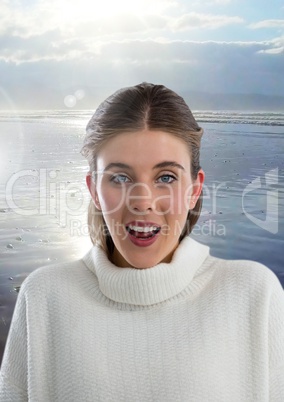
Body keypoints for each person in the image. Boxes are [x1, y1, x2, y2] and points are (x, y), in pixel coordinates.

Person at [0, 82, 283, 401]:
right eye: (120, 177)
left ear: (194, 189)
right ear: (93, 190)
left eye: (166, 177)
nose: (142, 201)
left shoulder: (254, 293)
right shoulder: (44, 296)